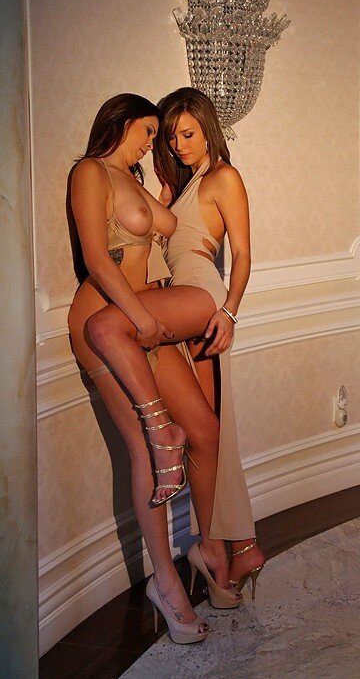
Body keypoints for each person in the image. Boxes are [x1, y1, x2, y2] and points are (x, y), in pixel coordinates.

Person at [68, 93, 235, 646]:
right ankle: (165, 582)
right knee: (148, 448)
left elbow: (164, 227)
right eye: (147, 131)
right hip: (107, 319)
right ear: (120, 124)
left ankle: (208, 547)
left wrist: (165, 190)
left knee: (204, 430)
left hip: (142, 316)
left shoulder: (135, 181)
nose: (152, 142)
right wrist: (140, 317)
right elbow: (96, 258)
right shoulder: (90, 172)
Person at [154, 87, 266, 599]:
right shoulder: (182, 185)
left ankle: (234, 546)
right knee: (209, 432)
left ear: (207, 129)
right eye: (171, 136)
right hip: (181, 299)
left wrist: (230, 311)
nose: (178, 144)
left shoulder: (224, 177)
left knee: (215, 430)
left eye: (187, 133)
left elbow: (242, 254)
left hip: (202, 300)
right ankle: (238, 547)